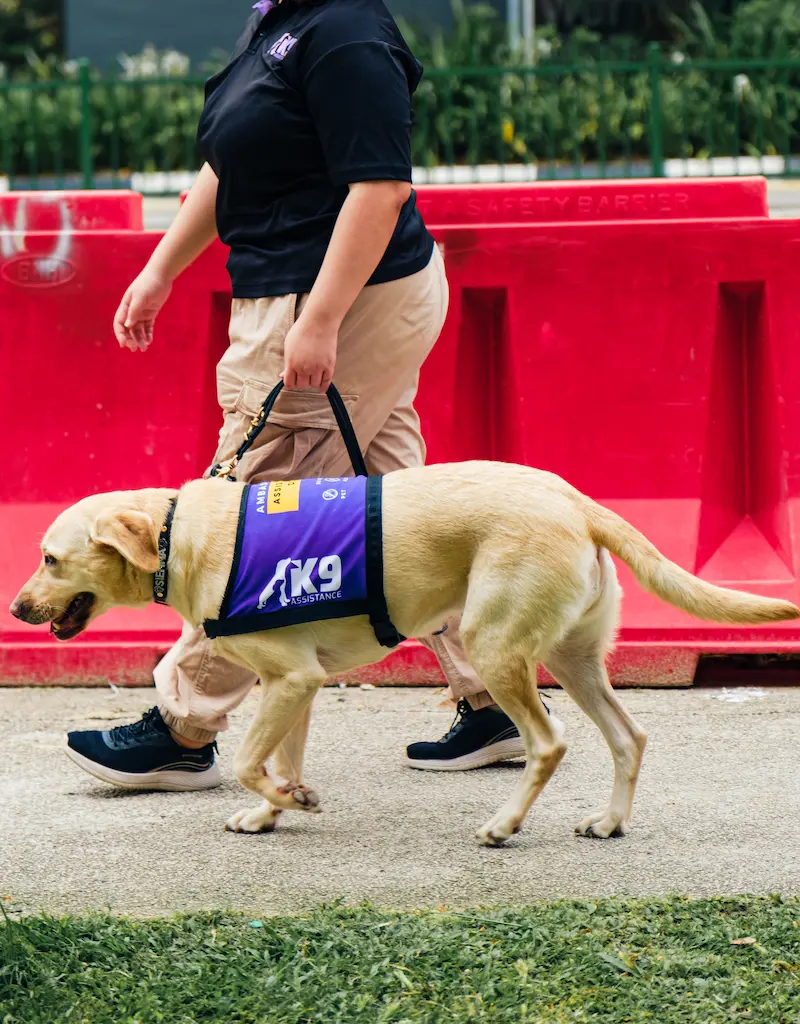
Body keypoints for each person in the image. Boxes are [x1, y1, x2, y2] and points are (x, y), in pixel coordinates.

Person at [65, 0, 528, 790]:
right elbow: (231, 166)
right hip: (320, 298)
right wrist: (160, 269)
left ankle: (184, 726)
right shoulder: (284, 21)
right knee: (399, 507)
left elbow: (379, 189)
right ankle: (494, 702)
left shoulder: (346, 28)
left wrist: (319, 320)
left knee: (250, 516)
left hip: (334, 304)